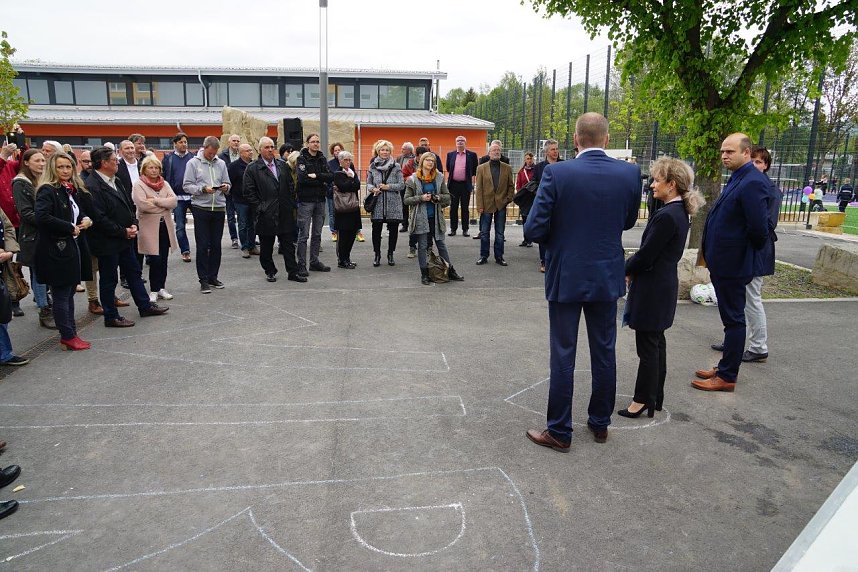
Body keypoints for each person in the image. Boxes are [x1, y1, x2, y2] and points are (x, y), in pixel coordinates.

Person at [524, 112, 640, 450]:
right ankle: (600, 423)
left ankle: (560, 431)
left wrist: (562, 238)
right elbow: (628, 221)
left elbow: (534, 228)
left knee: (564, 353)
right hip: (606, 273)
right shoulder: (629, 173)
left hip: (567, 274)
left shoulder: (557, 173)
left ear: (575, 140)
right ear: (607, 140)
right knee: (604, 351)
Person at [618, 157, 702, 418]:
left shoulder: (667, 216)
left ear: (672, 184)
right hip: (661, 285)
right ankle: (654, 397)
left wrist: (624, 269)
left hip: (653, 288)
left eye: (657, 180)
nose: (653, 185)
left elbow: (646, 255)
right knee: (655, 343)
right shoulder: (677, 212)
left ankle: (642, 399)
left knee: (648, 346)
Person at [693, 133, 771, 392]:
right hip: (724, 262)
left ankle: (727, 376)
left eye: (730, 151)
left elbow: (759, 229)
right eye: (722, 152)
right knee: (731, 319)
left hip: (734, 264)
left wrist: (741, 254)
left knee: (734, 320)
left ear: (746, 153)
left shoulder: (752, 181)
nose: (724, 156)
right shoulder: (739, 177)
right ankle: (725, 366)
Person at [710, 146, 782, 363]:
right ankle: (734, 341)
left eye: (759, 162)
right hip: (742, 254)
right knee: (737, 302)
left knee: (752, 299)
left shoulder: (767, 189)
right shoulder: (742, 182)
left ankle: (758, 346)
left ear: (766, 165)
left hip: (754, 254)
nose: (754, 165)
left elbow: (764, 226)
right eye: (753, 161)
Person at [85, 147, 169, 327]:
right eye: (114, 159)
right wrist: (122, 231)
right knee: (109, 279)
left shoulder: (116, 180)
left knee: (134, 272)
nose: (117, 162)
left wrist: (133, 223)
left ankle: (144, 306)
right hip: (107, 241)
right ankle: (111, 316)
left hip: (124, 238)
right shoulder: (92, 186)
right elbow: (99, 218)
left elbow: (128, 205)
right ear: (104, 163)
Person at [34, 153, 94, 350]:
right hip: (55, 249)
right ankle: (67, 335)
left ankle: (71, 333)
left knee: (68, 293)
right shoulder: (47, 189)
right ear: (53, 168)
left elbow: (77, 212)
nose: (65, 170)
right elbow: (42, 217)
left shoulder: (68, 189)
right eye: (61, 167)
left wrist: (85, 219)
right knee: (62, 294)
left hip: (70, 247)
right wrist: (69, 227)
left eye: (68, 167)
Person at [242, 137, 305, 284]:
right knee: (266, 246)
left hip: (284, 211)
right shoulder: (253, 168)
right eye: (267, 147)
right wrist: (260, 208)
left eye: (272, 147)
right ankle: (270, 271)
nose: (270, 150)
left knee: (288, 245)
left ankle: (293, 272)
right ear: (260, 150)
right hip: (266, 214)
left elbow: (290, 185)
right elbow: (248, 192)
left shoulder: (282, 165)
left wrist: (290, 203)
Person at [403, 152, 464, 285]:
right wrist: (421, 198)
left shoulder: (439, 177)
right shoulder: (413, 179)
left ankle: (450, 270)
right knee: (423, 246)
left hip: (436, 217)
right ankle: (424, 274)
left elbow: (447, 197)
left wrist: (438, 197)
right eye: (428, 160)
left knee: (441, 244)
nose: (430, 162)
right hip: (420, 218)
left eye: (432, 161)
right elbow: (406, 200)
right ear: (422, 162)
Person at [11, 149, 56, 329]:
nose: (41, 164)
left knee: (47, 272)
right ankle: (44, 310)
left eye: (43, 161)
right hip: (33, 235)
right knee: (39, 274)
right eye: (37, 161)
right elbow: (25, 213)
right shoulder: (21, 183)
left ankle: (47, 303)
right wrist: (50, 221)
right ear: (26, 162)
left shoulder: (43, 180)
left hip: (47, 233)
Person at [183, 136, 231, 293]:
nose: (212, 156)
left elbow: (228, 183)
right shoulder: (193, 163)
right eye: (210, 153)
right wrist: (202, 189)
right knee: (203, 245)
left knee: (216, 245)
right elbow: (187, 186)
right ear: (204, 148)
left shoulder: (221, 163)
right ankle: (203, 279)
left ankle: (213, 276)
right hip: (201, 207)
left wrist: (225, 187)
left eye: (214, 153)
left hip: (218, 207)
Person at [132, 155, 178, 303]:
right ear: (144, 169)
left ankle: (161, 288)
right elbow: (143, 205)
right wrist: (164, 206)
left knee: (164, 259)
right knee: (155, 259)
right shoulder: (139, 184)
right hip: (149, 227)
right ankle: (153, 289)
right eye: (151, 167)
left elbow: (174, 201)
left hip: (165, 226)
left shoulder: (164, 183)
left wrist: (157, 201)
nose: (154, 170)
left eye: (157, 167)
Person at [295, 133, 333, 275]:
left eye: (317, 141)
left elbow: (330, 176)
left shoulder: (322, 158)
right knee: (303, 235)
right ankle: (301, 264)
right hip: (306, 201)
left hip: (320, 200)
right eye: (313, 141)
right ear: (307, 144)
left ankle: (314, 262)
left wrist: (317, 176)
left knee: (317, 234)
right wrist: (321, 180)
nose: (316, 144)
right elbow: (303, 179)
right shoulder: (301, 159)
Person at [474, 143, 515, 266]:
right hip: (486, 204)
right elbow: (479, 188)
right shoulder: (481, 168)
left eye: (498, 150)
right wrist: (479, 205)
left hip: (501, 204)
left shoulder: (507, 168)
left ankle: (499, 257)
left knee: (500, 233)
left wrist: (508, 199)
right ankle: (483, 256)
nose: (496, 152)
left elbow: (511, 186)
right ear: (489, 153)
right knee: (484, 232)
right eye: (494, 150)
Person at [367, 140, 405, 267]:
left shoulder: (396, 166)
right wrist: (373, 189)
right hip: (378, 203)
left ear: (390, 152)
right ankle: (377, 255)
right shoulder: (372, 166)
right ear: (378, 151)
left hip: (393, 203)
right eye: (382, 150)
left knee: (393, 230)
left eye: (387, 150)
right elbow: (368, 184)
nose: (385, 152)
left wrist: (388, 187)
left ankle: (390, 254)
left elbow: (401, 185)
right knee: (376, 230)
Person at [162, 132, 195, 263]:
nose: (184, 144)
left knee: (201, 224)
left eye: (185, 142)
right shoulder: (168, 158)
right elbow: (165, 177)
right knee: (180, 226)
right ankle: (185, 251)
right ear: (175, 144)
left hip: (193, 196)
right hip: (177, 198)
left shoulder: (193, 158)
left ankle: (205, 247)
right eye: (181, 142)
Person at [532, 139, 562, 271]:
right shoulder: (539, 167)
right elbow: (533, 184)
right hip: (545, 205)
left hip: (561, 206)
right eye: (552, 149)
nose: (555, 152)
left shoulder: (564, 165)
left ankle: (558, 260)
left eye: (557, 149)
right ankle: (544, 261)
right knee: (544, 233)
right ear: (546, 152)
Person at [330, 151, 362, 269]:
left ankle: (347, 258)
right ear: (340, 161)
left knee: (352, 234)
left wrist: (351, 180)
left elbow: (357, 186)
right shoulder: (338, 173)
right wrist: (350, 180)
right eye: (346, 160)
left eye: (349, 160)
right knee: (343, 236)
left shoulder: (352, 171)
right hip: (343, 209)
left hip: (353, 207)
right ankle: (342, 260)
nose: (348, 162)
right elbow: (343, 187)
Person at [445, 135, 479, 237]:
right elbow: (448, 167)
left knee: (465, 208)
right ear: (456, 143)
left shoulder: (472, 155)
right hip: (453, 185)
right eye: (458, 141)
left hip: (465, 185)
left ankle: (465, 229)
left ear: (465, 143)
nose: (460, 142)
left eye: (462, 141)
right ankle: (453, 229)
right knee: (453, 208)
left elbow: (474, 169)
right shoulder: (450, 154)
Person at [228, 143, 256, 258]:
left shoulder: (254, 164)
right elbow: (229, 182)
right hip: (240, 200)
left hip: (253, 200)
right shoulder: (233, 166)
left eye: (251, 150)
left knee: (252, 224)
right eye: (247, 151)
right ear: (241, 153)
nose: (250, 152)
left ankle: (252, 246)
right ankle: (244, 247)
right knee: (243, 224)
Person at [217, 134, 242, 249]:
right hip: (228, 190)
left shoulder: (242, 154)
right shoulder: (222, 156)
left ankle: (246, 238)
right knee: (231, 216)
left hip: (240, 190)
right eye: (234, 141)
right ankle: (234, 239)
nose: (236, 143)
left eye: (237, 141)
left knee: (243, 217)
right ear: (229, 142)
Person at [516, 152, 536, 246]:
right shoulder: (521, 171)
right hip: (524, 199)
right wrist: (520, 194)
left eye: (531, 159)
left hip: (533, 197)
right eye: (527, 159)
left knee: (531, 219)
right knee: (524, 219)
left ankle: (530, 239)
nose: (529, 160)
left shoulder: (536, 170)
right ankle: (525, 239)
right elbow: (518, 184)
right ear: (525, 160)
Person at [326, 142, 344, 243]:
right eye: (335, 150)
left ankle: (345, 231)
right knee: (332, 213)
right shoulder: (329, 164)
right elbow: (328, 177)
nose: (337, 152)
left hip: (343, 192)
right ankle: (334, 232)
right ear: (333, 152)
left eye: (339, 150)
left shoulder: (346, 162)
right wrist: (332, 186)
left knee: (344, 212)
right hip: (332, 192)